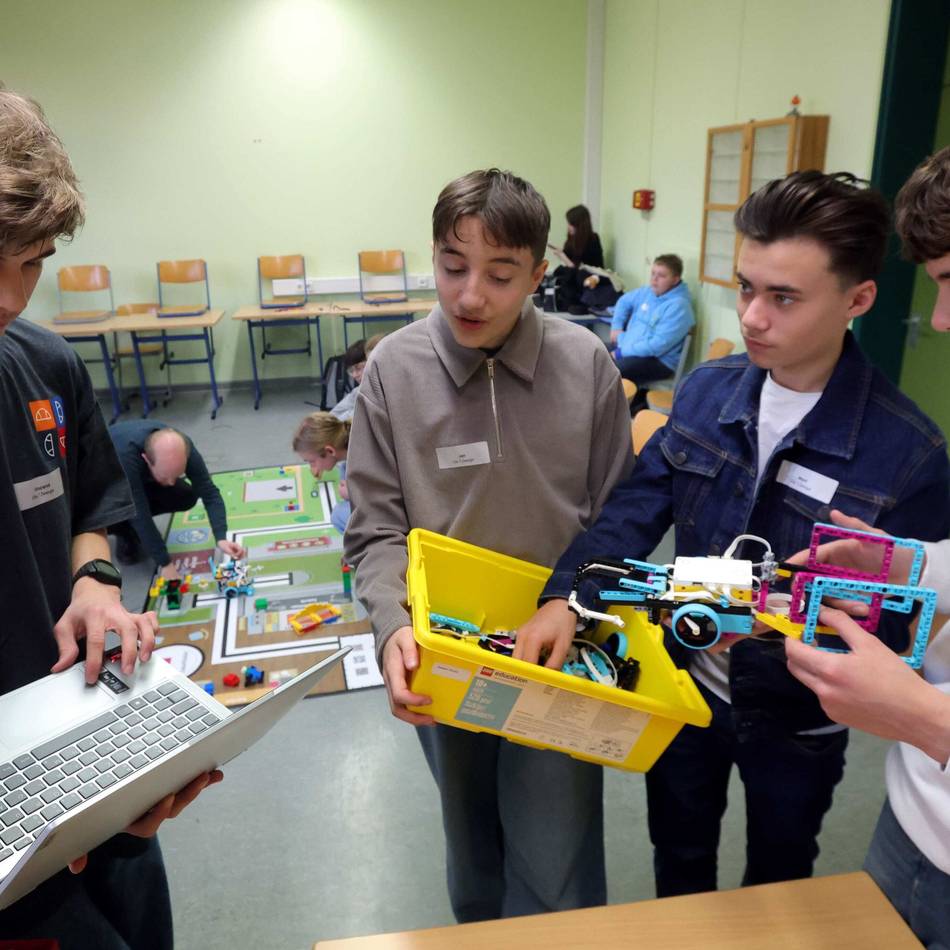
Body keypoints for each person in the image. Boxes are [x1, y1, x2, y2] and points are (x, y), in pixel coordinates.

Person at [515, 170, 950, 899]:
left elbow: (915, 624)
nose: (751, 316)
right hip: (685, 690)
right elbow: (633, 510)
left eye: (783, 298)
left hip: (799, 722)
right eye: (747, 287)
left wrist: (785, 617)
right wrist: (568, 595)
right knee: (678, 860)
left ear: (859, 299)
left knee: (780, 881)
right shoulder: (708, 391)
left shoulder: (909, 454)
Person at [343, 168, 633, 922]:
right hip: (447, 653)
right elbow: (374, 526)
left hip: (559, 651)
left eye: (500, 275)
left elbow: (617, 520)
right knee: (470, 843)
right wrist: (390, 624)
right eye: (451, 267)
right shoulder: (394, 373)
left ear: (540, 275)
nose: (470, 295)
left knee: (558, 852)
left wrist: (575, 600)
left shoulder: (587, 365)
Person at [0, 85, 220, 949]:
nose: (13, 297)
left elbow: (91, 498)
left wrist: (93, 579)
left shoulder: (45, 363)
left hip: (91, 763)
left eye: (33, 260)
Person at [783, 145, 950, 949]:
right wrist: (915, 564)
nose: (942, 318)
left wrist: (924, 715)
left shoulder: (911, 444)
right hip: (917, 818)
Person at [107, 420, 246, 579]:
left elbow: (209, 492)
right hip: (103, 484)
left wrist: (221, 537)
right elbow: (139, 512)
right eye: (166, 476)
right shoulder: (125, 459)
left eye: (177, 475)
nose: (171, 483)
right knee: (115, 513)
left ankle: (138, 525)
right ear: (146, 459)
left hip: (140, 475)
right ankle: (124, 532)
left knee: (185, 495)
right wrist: (165, 563)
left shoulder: (183, 446)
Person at [609, 254, 695, 411]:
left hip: (659, 361)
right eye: (653, 273)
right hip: (630, 347)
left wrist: (621, 352)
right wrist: (617, 327)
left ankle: (615, 412)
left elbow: (655, 346)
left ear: (675, 280)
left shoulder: (679, 307)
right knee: (596, 353)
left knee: (611, 369)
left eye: (661, 276)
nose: (654, 279)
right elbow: (623, 301)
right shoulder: (649, 292)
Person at [292, 412, 352, 533]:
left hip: (395, 509)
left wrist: (354, 494)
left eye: (312, 461)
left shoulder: (362, 458)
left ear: (329, 451)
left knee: (338, 515)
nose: (312, 467)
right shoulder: (349, 454)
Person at [548, 203, 604, 313]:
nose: (568, 227)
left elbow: (580, 269)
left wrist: (563, 256)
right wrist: (563, 253)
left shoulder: (592, 240)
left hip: (587, 278)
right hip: (574, 276)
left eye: (571, 224)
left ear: (580, 224)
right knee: (559, 273)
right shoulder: (572, 239)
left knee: (572, 275)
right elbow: (572, 262)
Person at [329, 332, 384, 422]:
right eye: (351, 371)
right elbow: (333, 416)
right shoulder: (359, 390)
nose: (354, 375)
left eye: (358, 368)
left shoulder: (385, 393)